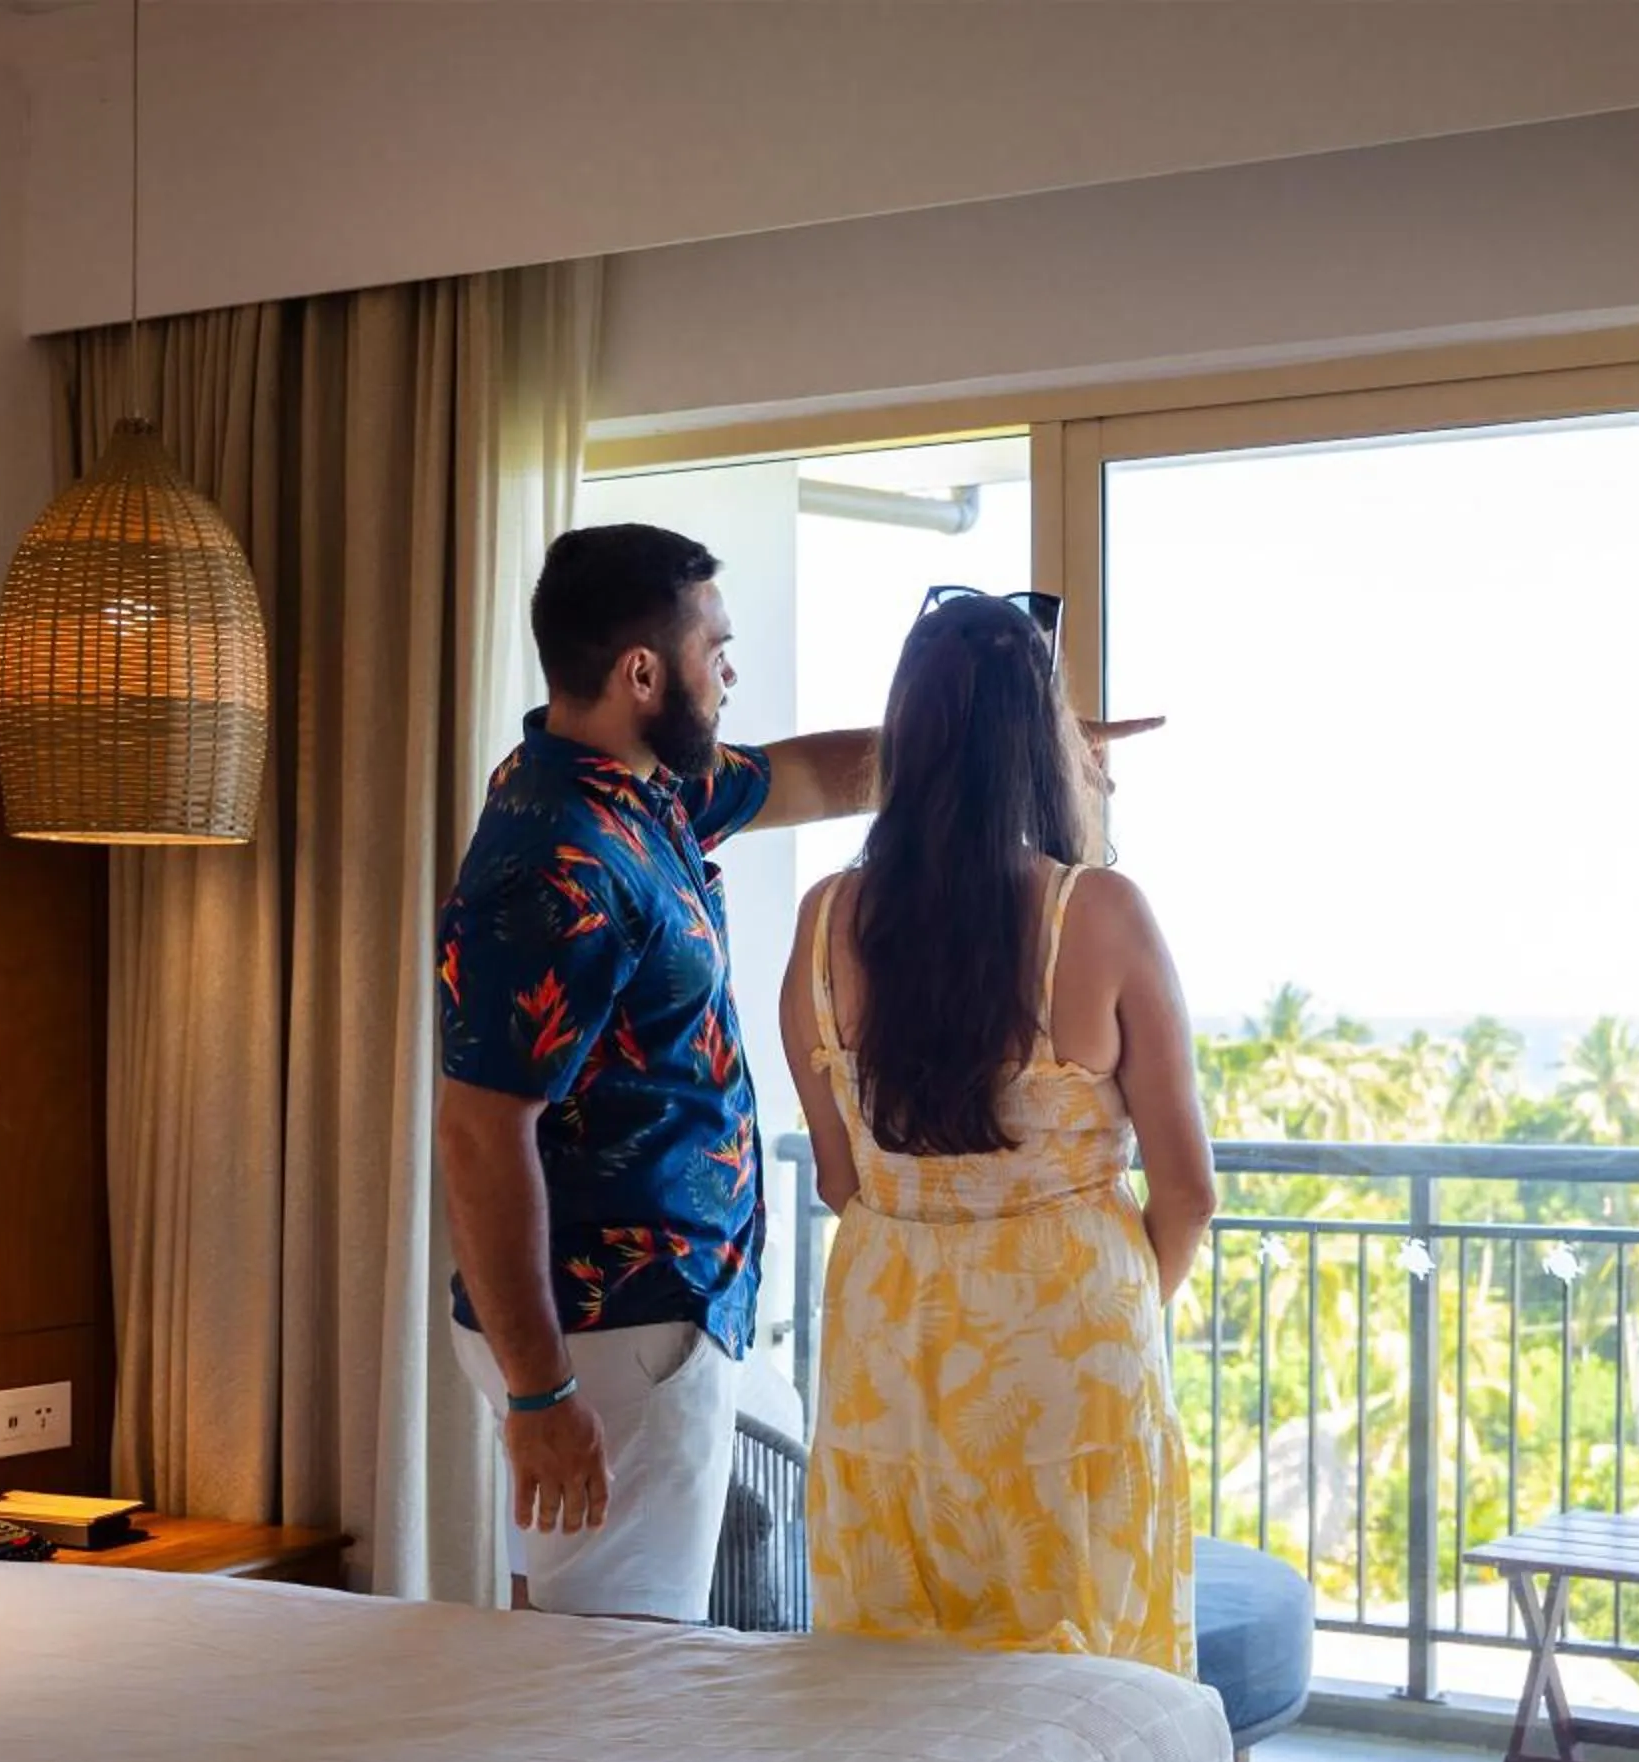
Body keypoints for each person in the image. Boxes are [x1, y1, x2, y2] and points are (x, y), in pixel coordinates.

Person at [438, 528, 1152, 1621]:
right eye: (716, 649)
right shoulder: (564, 861)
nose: (731, 673)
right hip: (610, 1324)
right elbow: (480, 1130)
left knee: (572, 1635)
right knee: (615, 1663)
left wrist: (1006, 742)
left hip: (623, 1316)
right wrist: (542, 1392)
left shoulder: (634, 790)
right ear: (643, 673)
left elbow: (811, 775)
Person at [782, 588, 1214, 1674]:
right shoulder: (1098, 912)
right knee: (1087, 1689)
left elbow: (839, 1175)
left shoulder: (826, 918)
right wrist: (1093, 1299)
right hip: (1070, 1345)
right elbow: (1189, 1192)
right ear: (1045, 741)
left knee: (892, 1676)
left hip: (890, 1346)